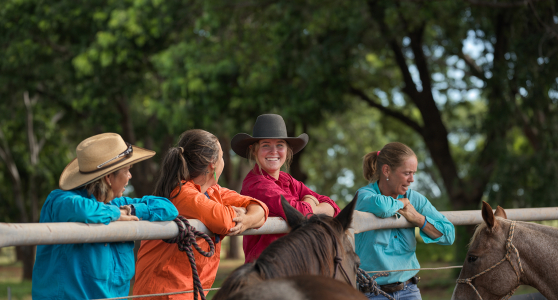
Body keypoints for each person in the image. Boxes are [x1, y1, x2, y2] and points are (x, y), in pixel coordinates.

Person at [32, 133, 179, 300]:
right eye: (127, 170)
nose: (130, 176)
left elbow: (168, 208)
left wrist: (130, 210)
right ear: (109, 178)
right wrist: (117, 214)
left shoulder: (119, 203)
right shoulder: (59, 201)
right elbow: (81, 209)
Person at [133, 129, 269, 299]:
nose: (224, 162)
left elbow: (259, 207)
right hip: (162, 294)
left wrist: (247, 219)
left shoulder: (214, 191)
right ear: (213, 163)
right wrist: (238, 212)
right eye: (222, 156)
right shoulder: (182, 193)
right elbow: (224, 221)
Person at [231, 114, 341, 263]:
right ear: (254, 150)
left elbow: (333, 207)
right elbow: (301, 214)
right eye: (265, 145)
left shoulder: (287, 179)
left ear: (287, 150)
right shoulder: (256, 185)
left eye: (280, 145)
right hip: (267, 269)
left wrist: (309, 206)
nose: (273, 151)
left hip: (293, 263)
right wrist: (310, 199)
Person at [355, 142, 455, 299]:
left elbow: (449, 235)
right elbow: (382, 207)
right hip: (372, 293)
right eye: (407, 173)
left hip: (410, 291)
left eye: (413, 173)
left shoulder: (415, 198)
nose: (412, 179)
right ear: (387, 170)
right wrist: (403, 203)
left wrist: (418, 219)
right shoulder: (363, 196)